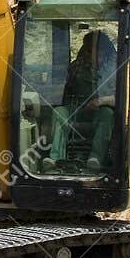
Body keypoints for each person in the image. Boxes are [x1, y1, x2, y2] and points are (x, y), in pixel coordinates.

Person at [50, 28, 117, 169]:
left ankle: (95, 158)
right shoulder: (77, 66)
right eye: (88, 49)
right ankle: (55, 159)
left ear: (104, 51)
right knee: (59, 112)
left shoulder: (116, 70)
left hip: (101, 112)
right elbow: (64, 90)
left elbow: (125, 97)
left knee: (108, 114)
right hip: (77, 109)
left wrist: (100, 101)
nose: (90, 54)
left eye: (95, 50)